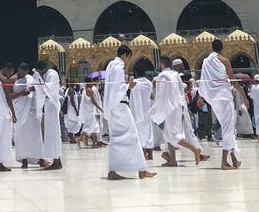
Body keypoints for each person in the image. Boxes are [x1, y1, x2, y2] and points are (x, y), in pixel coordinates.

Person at [103, 45, 155, 181]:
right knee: (133, 136)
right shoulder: (118, 67)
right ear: (125, 55)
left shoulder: (110, 66)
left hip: (113, 108)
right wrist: (128, 86)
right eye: (129, 57)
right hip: (120, 107)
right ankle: (141, 171)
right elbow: (118, 88)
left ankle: (113, 171)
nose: (128, 61)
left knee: (116, 139)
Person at [199, 39, 248, 170]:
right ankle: (224, 162)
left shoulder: (206, 62)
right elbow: (233, 81)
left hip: (214, 99)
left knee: (229, 127)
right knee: (228, 129)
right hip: (224, 97)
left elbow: (203, 80)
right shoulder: (224, 61)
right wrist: (244, 96)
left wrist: (200, 96)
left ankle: (233, 159)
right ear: (222, 48)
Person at [151, 57, 202, 167]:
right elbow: (181, 93)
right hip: (178, 107)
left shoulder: (162, 76)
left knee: (174, 135)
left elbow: (161, 95)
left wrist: (156, 109)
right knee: (168, 134)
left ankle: (194, 149)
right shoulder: (175, 75)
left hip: (168, 109)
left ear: (161, 64)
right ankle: (172, 160)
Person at [12, 64, 43, 167]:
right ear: (18, 70)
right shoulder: (13, 80)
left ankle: (40, 159)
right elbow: (10, 96)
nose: (23, 74)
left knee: (36, 135)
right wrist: (22, 93)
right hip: (20, 112)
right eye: (22, 72)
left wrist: (35, 89)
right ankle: (24, 160)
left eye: (25, 72)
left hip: (32, 111)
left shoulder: (31, 79)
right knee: (21, 136)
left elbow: (39, 91)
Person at [36, 60, 63, 170]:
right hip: (48, 106)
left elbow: (48, 89)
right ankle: (56, 161)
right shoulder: (47, 74)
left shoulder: (51, 74)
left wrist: (39, 80)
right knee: (51, 134)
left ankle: (57, 162)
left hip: (52, 105)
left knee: (53, 134)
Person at [79, 79, 103, 149]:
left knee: (93, 128)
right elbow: (94, 102)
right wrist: (101, 109)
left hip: (87, 112)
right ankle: (79, 139)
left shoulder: (84, 90)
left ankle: (94, 144)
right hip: (91, 112)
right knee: (92, 127)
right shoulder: (90, 90)